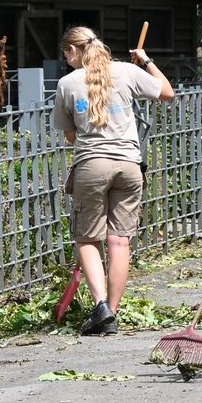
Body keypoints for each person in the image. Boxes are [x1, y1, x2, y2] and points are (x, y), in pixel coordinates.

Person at [54, 26, 174, 334]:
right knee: (120, 241)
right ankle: (112, 312)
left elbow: (70, 136)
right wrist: (145, 62)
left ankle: (101, 306)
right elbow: (166, 92)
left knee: (87, 238)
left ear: (72, 52)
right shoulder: (125, 72)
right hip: (129, 166)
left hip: (92, 166)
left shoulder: (67, 83)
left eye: (65, 53)